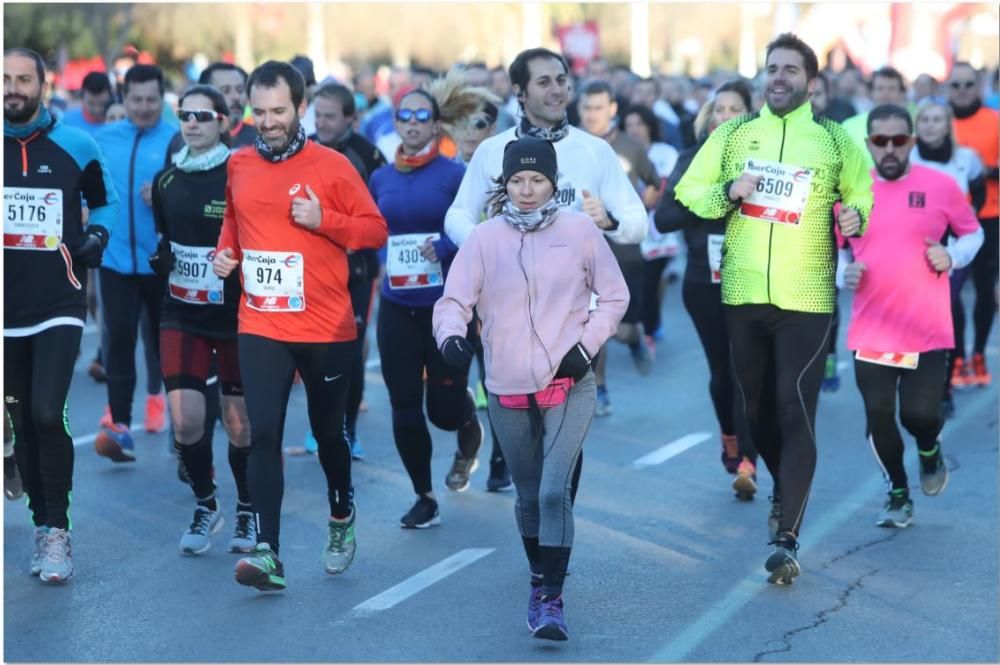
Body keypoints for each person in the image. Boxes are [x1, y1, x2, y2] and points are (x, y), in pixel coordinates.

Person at [674, 33, 874, 585]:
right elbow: (691, 192)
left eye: (790, 69)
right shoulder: (736, 134)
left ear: (811, 81)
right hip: (742, 291)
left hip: (806, 295)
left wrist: (855, 216)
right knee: (757, 408)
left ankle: (787, 533)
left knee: (793, 406)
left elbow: (861, 195)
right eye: (772, 68)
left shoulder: (834, 142)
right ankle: (780, 485)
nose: (779, 77)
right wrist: (729, 193)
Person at [433, 136, 629, 641]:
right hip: (506, 388)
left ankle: (551, 601)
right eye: (516, 180)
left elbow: (614, 295)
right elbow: (453, 301)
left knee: (551, 491)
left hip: (569, 381)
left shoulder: (581, 230)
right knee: (526, 496)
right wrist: (451, 338)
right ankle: (540, 576)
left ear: (552, 182)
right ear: (504, 183)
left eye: (536, 180)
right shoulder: (483, 238)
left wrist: (586, 348)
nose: (526, 190)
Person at [212, 61, 387, 591]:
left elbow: (375, 230)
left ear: (301, 108)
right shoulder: (239, 164)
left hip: (326, 326)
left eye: (278, 111)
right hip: (261, 320)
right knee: (263, 432)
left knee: (329, 434)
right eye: (258, 111)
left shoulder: (332, 166)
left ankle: (340, 516)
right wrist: (227, 253)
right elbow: (233, 222)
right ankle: (269, 552)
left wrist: (325, 221)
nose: (267, 122)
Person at [4, 47, 119, 583]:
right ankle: (38, 521)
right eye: (5, 79)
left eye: (23, 79)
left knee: (48, 413)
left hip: (59, 300)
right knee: (22, 420)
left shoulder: (76, 144)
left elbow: (106, 201)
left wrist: (96, 234)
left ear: (43, 86)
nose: (13, 88)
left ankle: (57, 532)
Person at [838, 104, 983, 527]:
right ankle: (898, 492)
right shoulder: (851, 194)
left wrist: (951, 255)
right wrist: (841, 272)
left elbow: (973, 233)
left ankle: (928, 449)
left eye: (898, 140)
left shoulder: (940, 186)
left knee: (918, 416)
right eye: (880, 140)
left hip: (926, 327)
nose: (889, 148)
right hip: (871, 328)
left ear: (912, 142)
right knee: (879, 415)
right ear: (868, 144)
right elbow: (834, 250)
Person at [146, 84, 255, 555]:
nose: (191, 123)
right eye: (184, 115)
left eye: (202, 116)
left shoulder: (241, 174)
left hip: (234, 315)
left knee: (239, 425)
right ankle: (206, 503)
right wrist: (163, 259)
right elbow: (167, 238)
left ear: (224, 122)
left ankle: (249, 511)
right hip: (181, 311)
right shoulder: (167, 180)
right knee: (187, 423)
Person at [370, 86, 484, 526]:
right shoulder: (381, 178)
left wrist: (443, 245)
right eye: (405, 116)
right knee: (403, 403)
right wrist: (381, 256)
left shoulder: (454, 175)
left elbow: (477, 229)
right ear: (396, 123)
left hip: (448, 307)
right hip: (397, 306)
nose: (413, 123)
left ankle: (467, 440)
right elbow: (373, 229)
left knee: (445, 411)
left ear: (436, 125)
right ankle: (423, 495)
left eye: (422, 116)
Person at [655, 80, 766, 499]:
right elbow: (664, 219)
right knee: (722, 375)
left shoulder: (766, 161)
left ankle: (747, 462)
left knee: (746, 373)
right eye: (718, 110)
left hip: (753, 280)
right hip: (704, 282)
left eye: (734, 109)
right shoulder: (692, 159)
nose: (725, 117)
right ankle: (730, 437)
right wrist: (720, 194)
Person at [294, 81, 388, 459]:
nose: (323, 123)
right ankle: (321, 426)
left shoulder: (368, 155)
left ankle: (347, 429)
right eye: (318, 115)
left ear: (352, 117)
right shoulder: (303, 150)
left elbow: (381, 217)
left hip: (356, 272)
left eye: (331, 116)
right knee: (314, 353)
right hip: (311, 271)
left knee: (349, 352)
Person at [92, 64, 175, 462]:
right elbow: (83, 191)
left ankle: (184, 426)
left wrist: (163, 196)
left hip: (163, 264)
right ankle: (121, 427)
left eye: (151, 100)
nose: (143, 108)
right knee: (119, 338)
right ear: (124, 99)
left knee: (166, 346)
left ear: (163, 99)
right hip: (116, 261)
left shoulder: (178, 139)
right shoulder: (104, 138)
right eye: (136, 100)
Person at [578, 81, 660, 412]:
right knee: (591, 320)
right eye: (586, 108)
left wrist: (636, 212)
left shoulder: (631, 146)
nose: (592, 114)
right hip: (582, 249)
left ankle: (636, 338)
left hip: (623, 249)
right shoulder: (572, 145)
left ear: (612, 109)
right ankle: (598, 388)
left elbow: (656, 184)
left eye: (599, 108)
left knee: (619, 329)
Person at [909, 99, 987, 415]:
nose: (930, 125)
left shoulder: (965, 159)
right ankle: (914, 379)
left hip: (950, 252)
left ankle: (944, 387)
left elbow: (979, 193)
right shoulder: (907, 158)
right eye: (924, 119)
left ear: (947, 124)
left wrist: (964, 222)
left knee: (946, 310)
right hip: (911, 252)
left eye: (936, 119)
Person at [948, 62, 999, 387]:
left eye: (969, 84)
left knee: (983, 291)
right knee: (950, 295)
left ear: (979, 86)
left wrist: (987, 172)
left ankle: (978, 352)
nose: (963, 91)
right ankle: (955, 359)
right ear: (947, 89)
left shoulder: (995, 122)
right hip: (949, 221)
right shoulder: (939, 123)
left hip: (989, 217)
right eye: (956, 85)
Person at [619, 103, 680, 349]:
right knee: (634, 287)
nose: (634, 130)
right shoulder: (618, 152)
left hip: (658, 232)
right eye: (629, 125)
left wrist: (651, 195)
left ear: (650, 126)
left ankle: (648, 331)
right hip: (628, 232)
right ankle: (643, 328)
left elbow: (667, 188)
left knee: (650, 283)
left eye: (639, 124)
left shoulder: (665, 152)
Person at [166, 62, 256, 159]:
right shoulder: (180, 142)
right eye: (225, 90)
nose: (236, 97)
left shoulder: (259, 140)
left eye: (240, 90)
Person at [61, 71, 113, 137]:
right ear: (82, 97)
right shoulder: (66, 122)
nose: (97, 109)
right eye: (91, 103)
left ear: (110, 97)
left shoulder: (118, 120)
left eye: (102, 104)